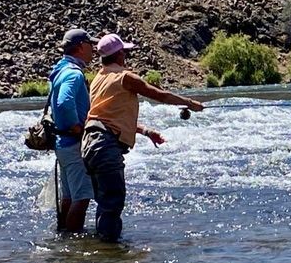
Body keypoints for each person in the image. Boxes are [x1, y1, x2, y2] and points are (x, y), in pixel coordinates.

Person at [81, 33, 204, 243]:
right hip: (105, 146)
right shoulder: (125, 77)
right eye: (125, 52)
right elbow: (160, 94)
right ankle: (110, 255)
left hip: (90, 143)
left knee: (105, 202)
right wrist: (190, 103)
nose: (126, 56)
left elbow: (107, 117)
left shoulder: (98, 79)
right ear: (119, 54)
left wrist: (146, 131)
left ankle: (103, 253)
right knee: (113, 202)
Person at [49, 28, 99, 233]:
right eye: (90, 45)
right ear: (80, 47)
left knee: (69, 196)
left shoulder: (59, 70)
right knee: (83, 197)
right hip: (74, 143)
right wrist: (77, 127)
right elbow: (63, 103)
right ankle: (73, 245)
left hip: (62, 145)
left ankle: (63, 236)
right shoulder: (74, 74)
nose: (93, 50)